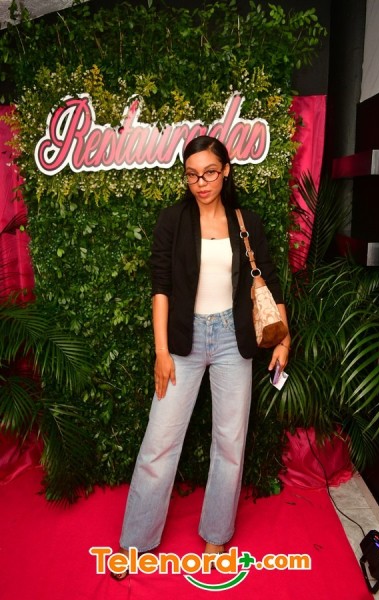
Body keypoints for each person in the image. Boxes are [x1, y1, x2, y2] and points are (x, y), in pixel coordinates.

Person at [111, 135, 291, 580]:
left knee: (230, 442)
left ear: (226, 170)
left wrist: (283, 339)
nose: (201, 182)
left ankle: (216, 533)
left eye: (210, 172)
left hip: (233, 338)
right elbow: (160, 287)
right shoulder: (172, 220)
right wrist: (161, 352)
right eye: (192, 175)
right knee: (159, 441)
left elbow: (267, 281)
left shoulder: (246, 221)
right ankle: (137, 541)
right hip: (183, 340)